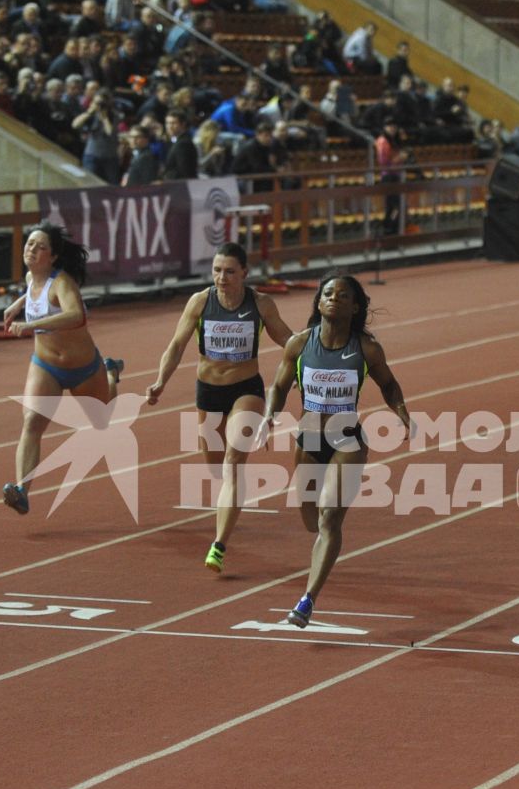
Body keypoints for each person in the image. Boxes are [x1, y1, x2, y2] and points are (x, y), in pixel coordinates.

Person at [262, 275, 411, 626]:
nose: (334, 299)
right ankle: (322, 554)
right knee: (311, 521)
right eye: (328, 294)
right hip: (310, 440)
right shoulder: (299, 345)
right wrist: (270, 414)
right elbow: (280, 385)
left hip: (347, 440)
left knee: (330, 519)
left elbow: (388, 384)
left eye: (343, 296)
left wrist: (403, 414)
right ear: (318, 302)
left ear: (355, 306)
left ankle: (307, 600)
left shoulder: (366, 348)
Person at [147, 244, 294, 571]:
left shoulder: (260, 304)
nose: (221, 277)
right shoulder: (200, 302)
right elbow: (176, 346)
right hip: (209, 392)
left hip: (246, 390)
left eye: (229, 271)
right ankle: (230, 505)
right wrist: (160, 381)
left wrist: (309, 363)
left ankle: (219, 545)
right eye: (216, 270)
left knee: (233, 460)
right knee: (215, 465)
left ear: (244, 272)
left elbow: (288, 340)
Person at [0, 224, 126, 515]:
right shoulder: (33, 277)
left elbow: (76, 314)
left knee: (102, 422)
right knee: (32, 422)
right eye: (29, 244)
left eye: (40, 246)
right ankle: (22, 489)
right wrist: (17, 305)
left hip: (82, 367)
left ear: (53, 256)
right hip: (46, 366)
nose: (31, 250)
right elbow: (34, 291)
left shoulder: (62, 283)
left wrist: (31, 324)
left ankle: (110, 374)